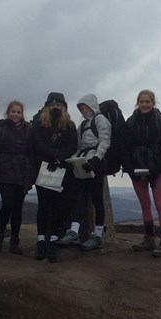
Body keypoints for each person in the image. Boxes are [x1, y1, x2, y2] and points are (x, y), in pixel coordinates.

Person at [122, 89, 161, 257]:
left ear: (153, 103)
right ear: (138, 103)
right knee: (145, 204)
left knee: (160, 203)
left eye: (147, 102)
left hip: (157, 168)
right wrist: (130, 169)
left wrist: (157, 169)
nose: (144, 104)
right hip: (136, 168)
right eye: (141, 102)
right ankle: (149, 238)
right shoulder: (130, 122)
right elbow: (125, 148)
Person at [57, 94, 111, 251]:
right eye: (81, 107)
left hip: (95, 164)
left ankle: (98, 235)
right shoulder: (82, 125)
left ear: (92, 105)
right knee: (78, 198)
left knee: (96, 200)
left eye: (85, 106)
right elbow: (80, 147)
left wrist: (96, 159)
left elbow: (105, 140)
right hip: (82, 164)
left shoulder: (100, 120)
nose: (83, 109)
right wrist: (73, 161)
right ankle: (73, 232)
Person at [30, 92, 77, 262]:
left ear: (63, 107)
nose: (55, 107)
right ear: (47, 107)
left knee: (59, 206)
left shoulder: (69, 125)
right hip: (43, 168)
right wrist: (53, 156)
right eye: (52, 105)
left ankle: (54, 239)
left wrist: (59, 158)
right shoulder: (38, 124)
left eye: (59, 105)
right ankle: (41, 239)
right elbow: (37, 143)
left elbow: (72, 145)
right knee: (43, 205)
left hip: (62, 170)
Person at [0, 101, 32, 254]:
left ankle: (14, 241)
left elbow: (32, 154)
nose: (15, 114)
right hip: (5, 170)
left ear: (22, 114)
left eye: (18, 112)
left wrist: (31, 178)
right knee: (7, 204)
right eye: (13, 111)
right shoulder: (0, 128)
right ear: (8, 112)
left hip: (22, 172)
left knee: (18, 208)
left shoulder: (28, 129)